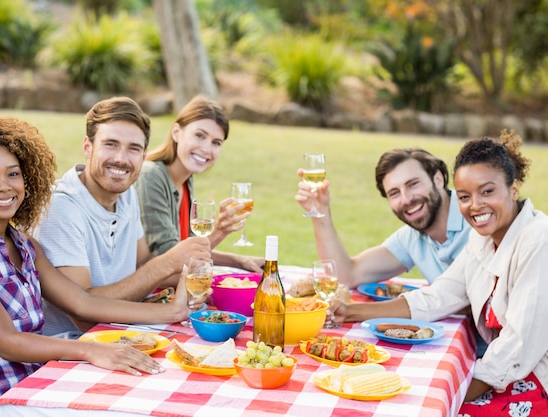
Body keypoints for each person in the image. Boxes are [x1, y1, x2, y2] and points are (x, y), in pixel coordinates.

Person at [0, 115, 195, 417]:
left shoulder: (24, 244)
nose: (4, 186)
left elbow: (83, 302)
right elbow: (7, 342)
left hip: (41, 382)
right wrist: (90, 349)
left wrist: (173, 312)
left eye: (13, 174)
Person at [330, 132, 548, 415]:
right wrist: (351, 312)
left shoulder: (538, 240)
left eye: (487, 191)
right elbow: (439, 296)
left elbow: (517, 347)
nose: (475, 205)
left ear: (514, 189)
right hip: (505, 375)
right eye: (465, 196)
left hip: (535, 380)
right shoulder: (483, 239)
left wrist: (448, 398)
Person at [35, 96, 212, 337]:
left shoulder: (126, 194)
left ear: (143, 154)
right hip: (74, 349)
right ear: (88, 147)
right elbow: (83, 312)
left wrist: (197, 278)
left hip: (125, 332)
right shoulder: (61, 207)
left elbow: (141, 263)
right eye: (110, 144)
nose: (121, 158)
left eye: (133, 148)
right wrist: (167, 264)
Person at [295, 147, 472, 288]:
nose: (406, 199)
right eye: (394, 193)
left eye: (413, 184)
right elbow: (347, 276)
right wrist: (320, 212)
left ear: (438, 180)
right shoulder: (411, 237)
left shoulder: (477, 216)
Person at [134, 95, 264, 271]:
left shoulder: (185, 179)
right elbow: (171, 260)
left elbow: (189, 248)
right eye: (199, 135)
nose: (206, 149)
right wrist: (219, 231)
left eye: (216, 143)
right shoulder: (150, 177)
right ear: (176, 133)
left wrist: (239, 260)